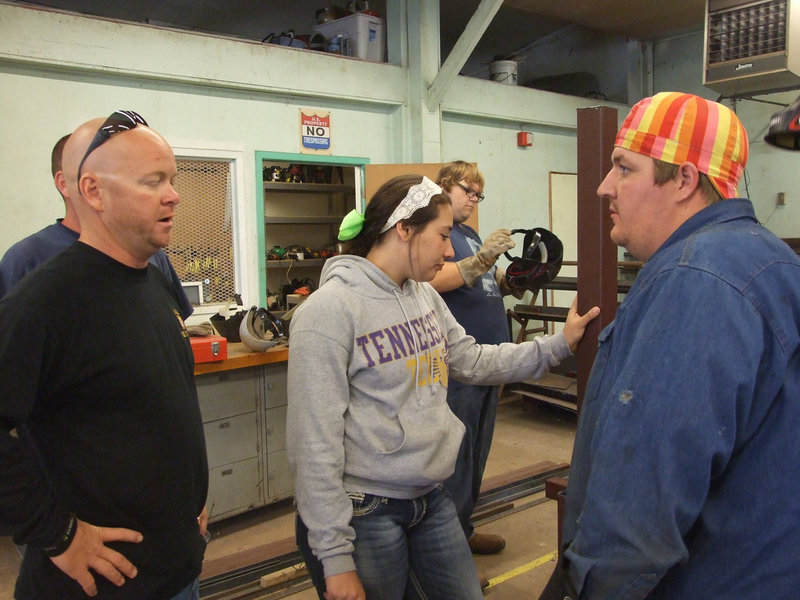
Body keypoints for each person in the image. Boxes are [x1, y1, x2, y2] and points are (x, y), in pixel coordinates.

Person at [287, 174, 599, 600]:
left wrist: (557, 346)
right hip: (366, 509)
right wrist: (335, 558)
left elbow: (471, 359)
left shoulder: (423, 296)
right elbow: (312, 444)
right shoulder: (328, 312)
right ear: (404, 229)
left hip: (430, 497)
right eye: (443, 235)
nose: (450, 251)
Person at [539, 92, 800, 599]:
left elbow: (639, 507)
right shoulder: (771, 260)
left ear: (683, 179)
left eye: (624, 168)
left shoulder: (694, 280)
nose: (603, 186)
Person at [0, 110, 209, 600]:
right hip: (104, 586)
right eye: (153, 181)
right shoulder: (47, 301)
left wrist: (191, 499)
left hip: (178, 572)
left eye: (172, 179)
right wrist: (56, 533)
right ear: (93, 192)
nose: (174, 194)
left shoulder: (153, 278)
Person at [429, 160, 524, 556]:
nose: (473, 198)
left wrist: (516, 277)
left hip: (488, 364)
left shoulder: (467, 233)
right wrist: (484, 258)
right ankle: (444, 544)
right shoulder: (440, 236)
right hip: (460, 368)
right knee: (456, 458)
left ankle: (462, 529)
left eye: (477, 193)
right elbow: (433, 280)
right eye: (468, 189)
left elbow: (486, 284)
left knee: (477, 453)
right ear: (445, 186)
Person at [0, 134, 193, 321]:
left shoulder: (149, 254)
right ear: (65, 184)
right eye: (152, 182)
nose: (173, 196)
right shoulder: (27, 258)